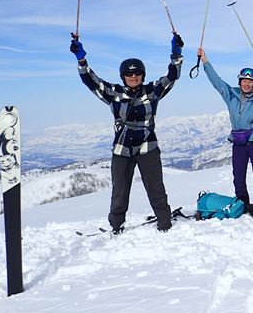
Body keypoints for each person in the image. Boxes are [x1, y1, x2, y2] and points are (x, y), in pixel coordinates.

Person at [69, 33, 184, 233]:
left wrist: (176, 54)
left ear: (143, 75)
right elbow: (91, 82)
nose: (133, 77)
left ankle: (165, 224)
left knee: (156, 188)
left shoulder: (152, 91)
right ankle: (116, 226)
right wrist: (81, 60)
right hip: (122, 149)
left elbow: (171, 77)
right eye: (129, 74)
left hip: (148, 147)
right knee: (119, 192)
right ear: (123, 76)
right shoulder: (114, 93)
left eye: (137, 73)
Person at [197, 47, 253, 215]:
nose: (247, 84)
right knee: (238, 177)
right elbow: (216, 81)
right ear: (239, 82)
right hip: (238, 141)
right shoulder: (230, 94)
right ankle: (243, 208)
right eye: (244, 80)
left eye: (250, 81)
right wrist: (205, 61)